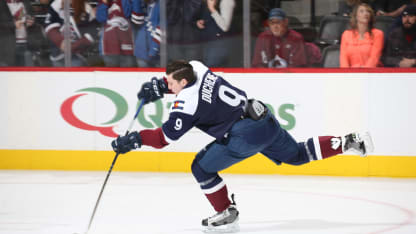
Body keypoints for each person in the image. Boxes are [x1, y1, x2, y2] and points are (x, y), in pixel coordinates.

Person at [110, 60, 374, 232]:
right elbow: (185, 81)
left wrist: (135, 139)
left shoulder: (185, 105)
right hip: (260, 116)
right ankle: (349, 141)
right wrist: (160, 87)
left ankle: (225, 212)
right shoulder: (197, 68)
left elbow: (164, 139)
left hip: (243, 135)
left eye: (170, 82)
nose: (168, 85)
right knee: (298, 154)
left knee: (200, 168)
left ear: (182, 83)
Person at [44, 0, 98, 67]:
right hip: (57, 53)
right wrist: (60, 42)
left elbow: (92, 33)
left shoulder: (87, 8)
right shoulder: (57, 4)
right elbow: (49, 25)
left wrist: (73, 47)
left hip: (77, 55)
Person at [340, 3, 384, 67]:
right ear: (356, 16)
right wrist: (346, 74)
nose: (366, 14)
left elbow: (374, 57)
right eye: (361, 11)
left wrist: (364, 72)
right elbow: (343, 59)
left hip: (371, 73)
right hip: (351, 74)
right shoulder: (346, 34)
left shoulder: (378, 34)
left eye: (368, 11)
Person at [96, 0, 136, 67]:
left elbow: (127, 13)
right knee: (111, 76)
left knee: (128, 75)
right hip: (108, 47)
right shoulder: (103, 2)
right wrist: (104, 3)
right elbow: (101, 18)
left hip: (126, 45)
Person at [196, 0, 236, 67]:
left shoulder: (226, 1)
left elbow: (224, 27)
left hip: (218, 44)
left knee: (212, 69)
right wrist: (202, 22)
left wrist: (212, 8)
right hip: (208, 42)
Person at [0, 0, 37, 66]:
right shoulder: (2, 3)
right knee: (11, 74)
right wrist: (13, 24)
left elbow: (32, 17)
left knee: (28, 73)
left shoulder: (26, 2)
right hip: (7, 47)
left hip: (27, 44)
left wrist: (31, 21)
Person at [131, 0, 160, 67]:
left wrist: (153, 50)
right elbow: (137, 20)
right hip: (141, 52)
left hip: (157, 54)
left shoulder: (161, 5)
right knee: (142, 77)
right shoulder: (143, 5)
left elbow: (163, 27)